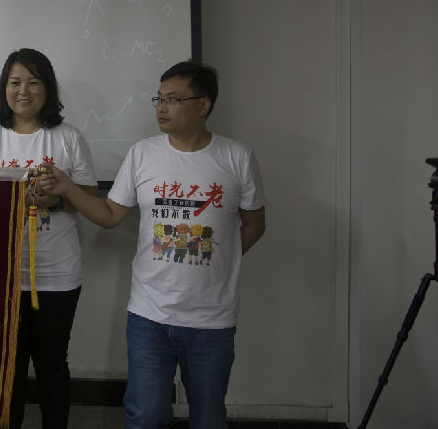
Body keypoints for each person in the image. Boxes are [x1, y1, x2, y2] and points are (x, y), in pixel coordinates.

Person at [37, 60, 267, 429]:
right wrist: (67, 189)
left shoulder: (236, 156)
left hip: (212, 317)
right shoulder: (143, 154)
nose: (161, 108)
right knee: (145, 416)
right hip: (149, 314)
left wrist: (221, 259)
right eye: (158, 99)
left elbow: (255, 224)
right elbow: (110, 214)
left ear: (203, 105)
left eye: (173, 99)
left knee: (209, 417)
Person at [0, 48, 98, 429]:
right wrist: (22, 197)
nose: (23, 91)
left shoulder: (68, 137)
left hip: (57, 273)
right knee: (10, 365)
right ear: (4, 88)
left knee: (52, 362)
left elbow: (89, 198)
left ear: (48, 89)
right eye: (15, 82)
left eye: (33, 82)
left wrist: (57, 198)